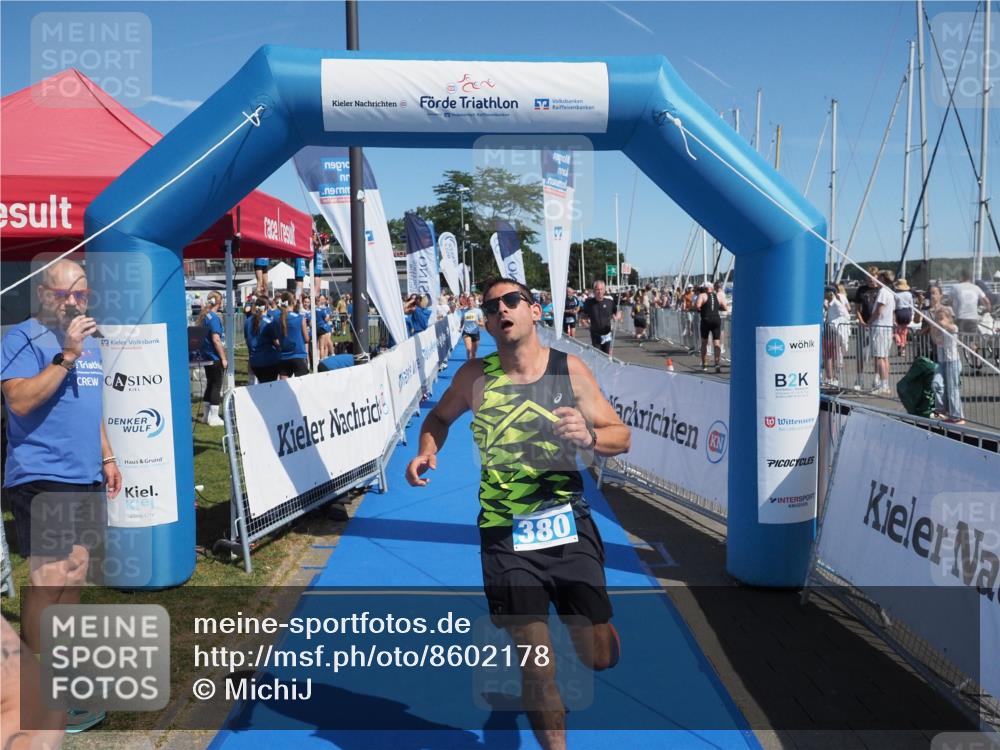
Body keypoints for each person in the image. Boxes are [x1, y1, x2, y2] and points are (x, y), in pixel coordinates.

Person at [405, 278, 631, 750]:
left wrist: (590, 439)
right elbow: (438, 419)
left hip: (568, 528)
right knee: (535, 665)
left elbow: (620, 435)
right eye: (491, 307)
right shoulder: (473, 378)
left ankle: (599, 628)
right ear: (485, 321)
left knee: (597, 657)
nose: (501, 310)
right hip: (504, 536)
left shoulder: (568, 371)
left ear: (531, 310)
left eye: (511, 301)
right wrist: (427, 450)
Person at [1, 259, 122, 734]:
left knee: (73, 576)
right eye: (64, 294)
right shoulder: (23, 339)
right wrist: (67, 354)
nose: (74, 303)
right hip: (41, 474)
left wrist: (108, 457)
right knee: (48, 580)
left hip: (84, 474)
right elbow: (19, 400)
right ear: (43, 294)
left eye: (82, 295)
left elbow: (90, 406)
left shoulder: (87, 340)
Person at [196, 291, 227, 425]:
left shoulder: (205, 316)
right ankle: (213, 417)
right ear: (219, 303)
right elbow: (216, 339)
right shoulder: (213, 318)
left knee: (210, 384)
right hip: (214, 356)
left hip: (206, 356)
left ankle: (206, 415)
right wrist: (223, 358)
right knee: (216, 385)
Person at [930, 305, 964, 423]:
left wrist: (942, 323)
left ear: (948, 318)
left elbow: (952, 328)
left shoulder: (952, 327)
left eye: (941, 318)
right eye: (937, 318)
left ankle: (957, 416)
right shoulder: (940, 330)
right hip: (942, 361)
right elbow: (937, 341)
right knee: (936, 383)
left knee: (952, 389)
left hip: (953, 361)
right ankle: (941, 410)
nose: (939, 320)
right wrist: (934, 327)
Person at [267, 291, 309, 378]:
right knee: (303, 388)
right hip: (299, 355)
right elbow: (307, 339)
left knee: (283, 389)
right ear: (293, 302)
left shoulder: (275, 319)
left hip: (283, 357)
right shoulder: (300, 318)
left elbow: (275, 339)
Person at [852, 268, 882, 391]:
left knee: (877, 352)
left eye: (872, 276)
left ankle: (876, 378)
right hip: (863, 324)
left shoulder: (881, 290)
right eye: (868, 276)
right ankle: (859, 378)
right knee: (861, 353)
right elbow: (857, 308)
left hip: (878, 324)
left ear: (876, 276)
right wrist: (861, 321)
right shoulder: (861, 290)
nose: (870, 279)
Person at [244, 296, 280, 383]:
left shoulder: (248, 321)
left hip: (255, 362)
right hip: (269, 361)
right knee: (270, 388)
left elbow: (247, 340)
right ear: (267, 307)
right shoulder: (268, 322)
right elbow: (276, 342)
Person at [694, 281, 728, 372]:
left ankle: (704, 364)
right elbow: (725, 308)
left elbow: (697, 306)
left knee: (704, 342)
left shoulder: (702, 295)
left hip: (706, 320)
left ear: (705, 288)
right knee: (717, 343)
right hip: (716, 320)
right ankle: (717, 364)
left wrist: (701, 309)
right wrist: (716, 308)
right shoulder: (718, 296)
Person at [823, 285, 850, 386]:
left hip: (832, 331)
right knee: (828, 355)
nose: (823, 294)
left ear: (831, 293)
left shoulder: (836, 304)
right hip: (830, 331)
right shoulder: (830, 303)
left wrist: (833, 323)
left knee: (829, 355)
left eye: (825, 292)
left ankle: (831, 378)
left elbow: (846, 316)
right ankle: (831, 377)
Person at [582, 281, 619, 354]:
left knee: (607, 356)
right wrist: (586, 325)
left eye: (601, 289)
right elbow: (583, 317)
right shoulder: (589, 303)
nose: (599, 291)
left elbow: (618, 312)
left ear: (604, 290)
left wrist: (617, 316)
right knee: (598, 356)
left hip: (607, 335)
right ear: (594, 291)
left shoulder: (609, 302)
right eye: (597, 289)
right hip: (596, 335)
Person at [893, 278, 914, 357]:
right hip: (907, 312)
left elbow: (894, 306)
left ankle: (899, 345)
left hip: (899, 312)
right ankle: (903, 348)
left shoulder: (895, 294)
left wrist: (893, 318)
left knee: (896, 332)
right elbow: (911, 305)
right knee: (904, 332)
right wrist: (911, 315)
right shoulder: (909, 294)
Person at [459, 294, 485, 360]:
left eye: (471, 300)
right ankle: (468, 363)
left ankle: (473, 364)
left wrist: (478, 322)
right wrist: (460, 327)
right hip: (466, 332)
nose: (470, 302)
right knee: (469, 349)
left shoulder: (478, 311)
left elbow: (482, 324)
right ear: (467, 302)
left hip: (475, 333)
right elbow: (462, 320)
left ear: (474, 302)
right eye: (469, 301)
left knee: (474, 352)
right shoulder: (464, 311)